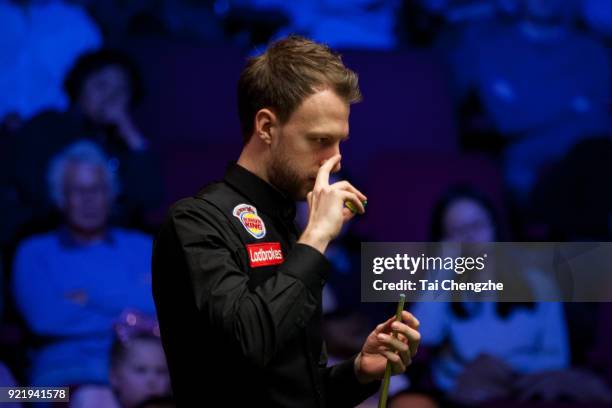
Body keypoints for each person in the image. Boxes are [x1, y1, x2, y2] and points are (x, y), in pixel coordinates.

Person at [152, 35, 421, 407]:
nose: (335, 160)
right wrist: (315, 239)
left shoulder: (288, 227)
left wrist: (359, 371)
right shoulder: (195, 222)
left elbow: (295, 393)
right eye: (320, 140)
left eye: (340, 142)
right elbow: (246, 343)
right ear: (266, 127)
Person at [12, 141, 156, 387]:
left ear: (111, 194)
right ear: (60, 198)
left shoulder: (145, 246)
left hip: (144, 375)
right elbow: (45, 318)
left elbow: (170, 307)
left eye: (97, 190)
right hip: (54, 385)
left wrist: (85, 298)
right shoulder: (33, 252)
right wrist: (130, 313)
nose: (88, 200)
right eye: (78, 191)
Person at [7, 49, 163, 231]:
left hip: (113, 240)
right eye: (101, 85)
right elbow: (29, 188)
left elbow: (151, 198)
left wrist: (131, 136)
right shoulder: (49, 125)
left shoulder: (126, 142)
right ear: (80, 86)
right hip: (50, 233)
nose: (111, 96)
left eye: (121, 90)